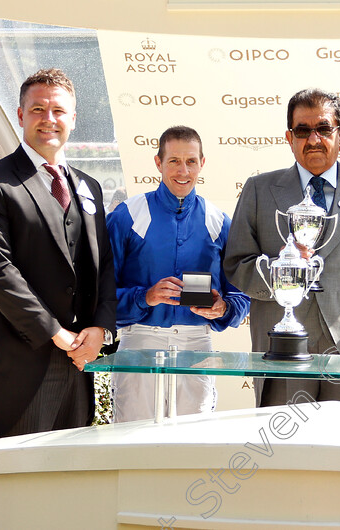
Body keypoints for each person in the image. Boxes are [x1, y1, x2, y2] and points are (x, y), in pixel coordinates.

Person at [224, 88, 340, 406]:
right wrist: (282, 270)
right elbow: (236, 264)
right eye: (303, 131)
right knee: (283, 452)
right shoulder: (258, 190)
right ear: (289, 137)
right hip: (281, 349)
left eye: (324, 129)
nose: (313, 139)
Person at [0, 68, 117, 440]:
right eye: (37, 110)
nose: (49, 120)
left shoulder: (89, 186)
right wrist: (55, 333)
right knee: (15, 484)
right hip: (22, 368)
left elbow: (104, 267)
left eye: (59, 111)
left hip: (78, 366)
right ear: (20, 115)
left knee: (70, 482)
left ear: (74, 119)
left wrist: (100, 328)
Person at [105, 125, 250, 422]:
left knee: (193, 448)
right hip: (140, 342)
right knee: (134, 443)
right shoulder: (127, 216)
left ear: (202, 163)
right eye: (174, 161)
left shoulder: (219, 221)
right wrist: (145, 296)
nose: (183, 170)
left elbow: (241, 293)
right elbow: (100, 294)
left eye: (191, 161)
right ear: (158, 163)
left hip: (198, 344)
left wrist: (223, 307)